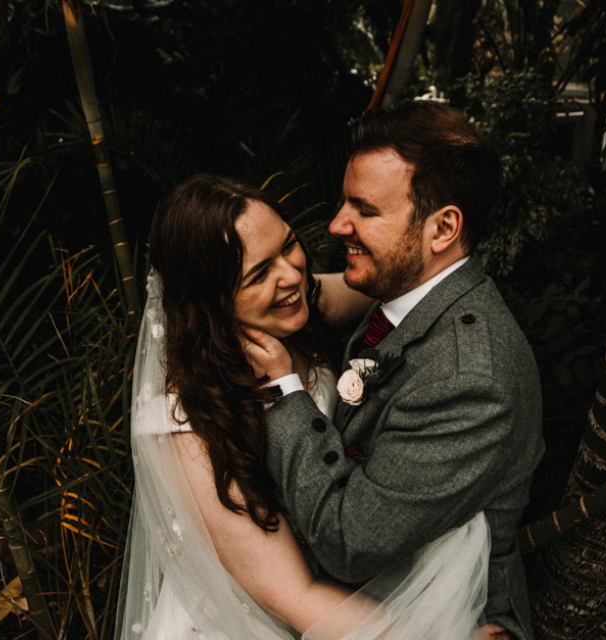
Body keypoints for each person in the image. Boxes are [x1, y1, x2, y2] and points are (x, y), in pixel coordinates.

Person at [116, 174, 492, 640]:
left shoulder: (294, 302)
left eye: (288, 245)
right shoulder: (185, 421)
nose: (293, 275)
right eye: (258, 274)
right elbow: (296, 596)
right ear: (211, 303)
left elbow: (392, 279)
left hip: (337, 583)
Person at [242, 100, 545, 639]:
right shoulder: (410, 293)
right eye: (344, 201)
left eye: (365, 209)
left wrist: (284, 392)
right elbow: (316, 298)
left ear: (443, 228)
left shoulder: (470, 378)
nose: (337, 224)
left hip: (444, 618)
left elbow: (348, 539)